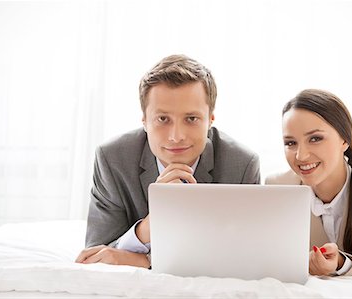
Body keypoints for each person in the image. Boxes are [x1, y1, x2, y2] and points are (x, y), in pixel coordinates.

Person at [75, 54, 260, 268]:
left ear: (210, 120)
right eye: (163, 119)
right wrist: (148, 227)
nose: (176, 136)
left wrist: (145, 260)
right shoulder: (113, 159)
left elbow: (242, 256)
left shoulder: (241, 165)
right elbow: (96, 254)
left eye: (191, 119)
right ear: (144, 120)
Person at [265, 89, 352, 278]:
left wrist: (341, 264)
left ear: (345, 140)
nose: (301, 156)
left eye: (315, 139)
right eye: (291, 143)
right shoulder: (277, 187)